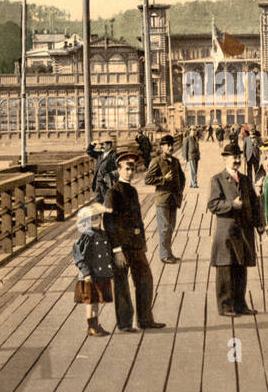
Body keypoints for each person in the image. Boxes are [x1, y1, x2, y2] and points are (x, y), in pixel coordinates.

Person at [104, 152, 166, 331]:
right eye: (127, 169)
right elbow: (109, 223)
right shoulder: (112, 193)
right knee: (122, 284)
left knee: (145, 280)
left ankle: (145, 320)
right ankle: (124, 323)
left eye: (133, 169)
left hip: (136, 245)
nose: (130, 172)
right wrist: (116, 250)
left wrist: (142, 242)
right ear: (119, 170)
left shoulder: (131, 190)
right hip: (121, 247)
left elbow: (138, 219)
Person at [207, 140, 264, 316]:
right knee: (225, 268)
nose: (237, 160)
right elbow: (213, 205)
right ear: (225, 159)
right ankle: (225, 306)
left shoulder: (246, 180)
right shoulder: (217, 179)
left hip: (244, 231)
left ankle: (240, 304)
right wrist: (232, 205)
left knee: (241, 267)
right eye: (233, 157)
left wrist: (259, 223)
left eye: (239, 157)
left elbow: (254, 204)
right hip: (226, 231)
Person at [72, 203, 115, 337]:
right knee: (90, 302)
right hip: (90, 275)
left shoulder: (102, 234)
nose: (96, 220)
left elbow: (107, 252)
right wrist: (86, 273)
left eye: (98, 217)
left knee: (96, 301)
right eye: (93, 218)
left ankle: (95, 324)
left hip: (100, 273)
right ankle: (91, 326)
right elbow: (79, 256)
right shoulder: (87, 236)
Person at [144, 134, 185, 264]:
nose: (170, 147)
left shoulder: (175, 161)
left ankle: (168, 252)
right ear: (162, 147)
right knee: (164, 227)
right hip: (162, 199)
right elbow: (148, 179)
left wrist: (180, 191)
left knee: (171, 227)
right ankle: (164, 255)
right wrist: (163, 179)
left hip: (174, 199)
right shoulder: (156, 161)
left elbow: (182, 178)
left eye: (171, 144)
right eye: (167, 145)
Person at [91, 140, 119, 205]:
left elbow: (118, 169)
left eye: (103, 144)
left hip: (107, 182)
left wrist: (109, 175)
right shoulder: (100, 154)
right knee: (97, 200)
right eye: (101, 144)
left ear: (109, 145)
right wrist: (93, 144)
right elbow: (89, 151)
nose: (101, 146)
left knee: (108, 201)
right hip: (98, 181)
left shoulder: (114, 155)